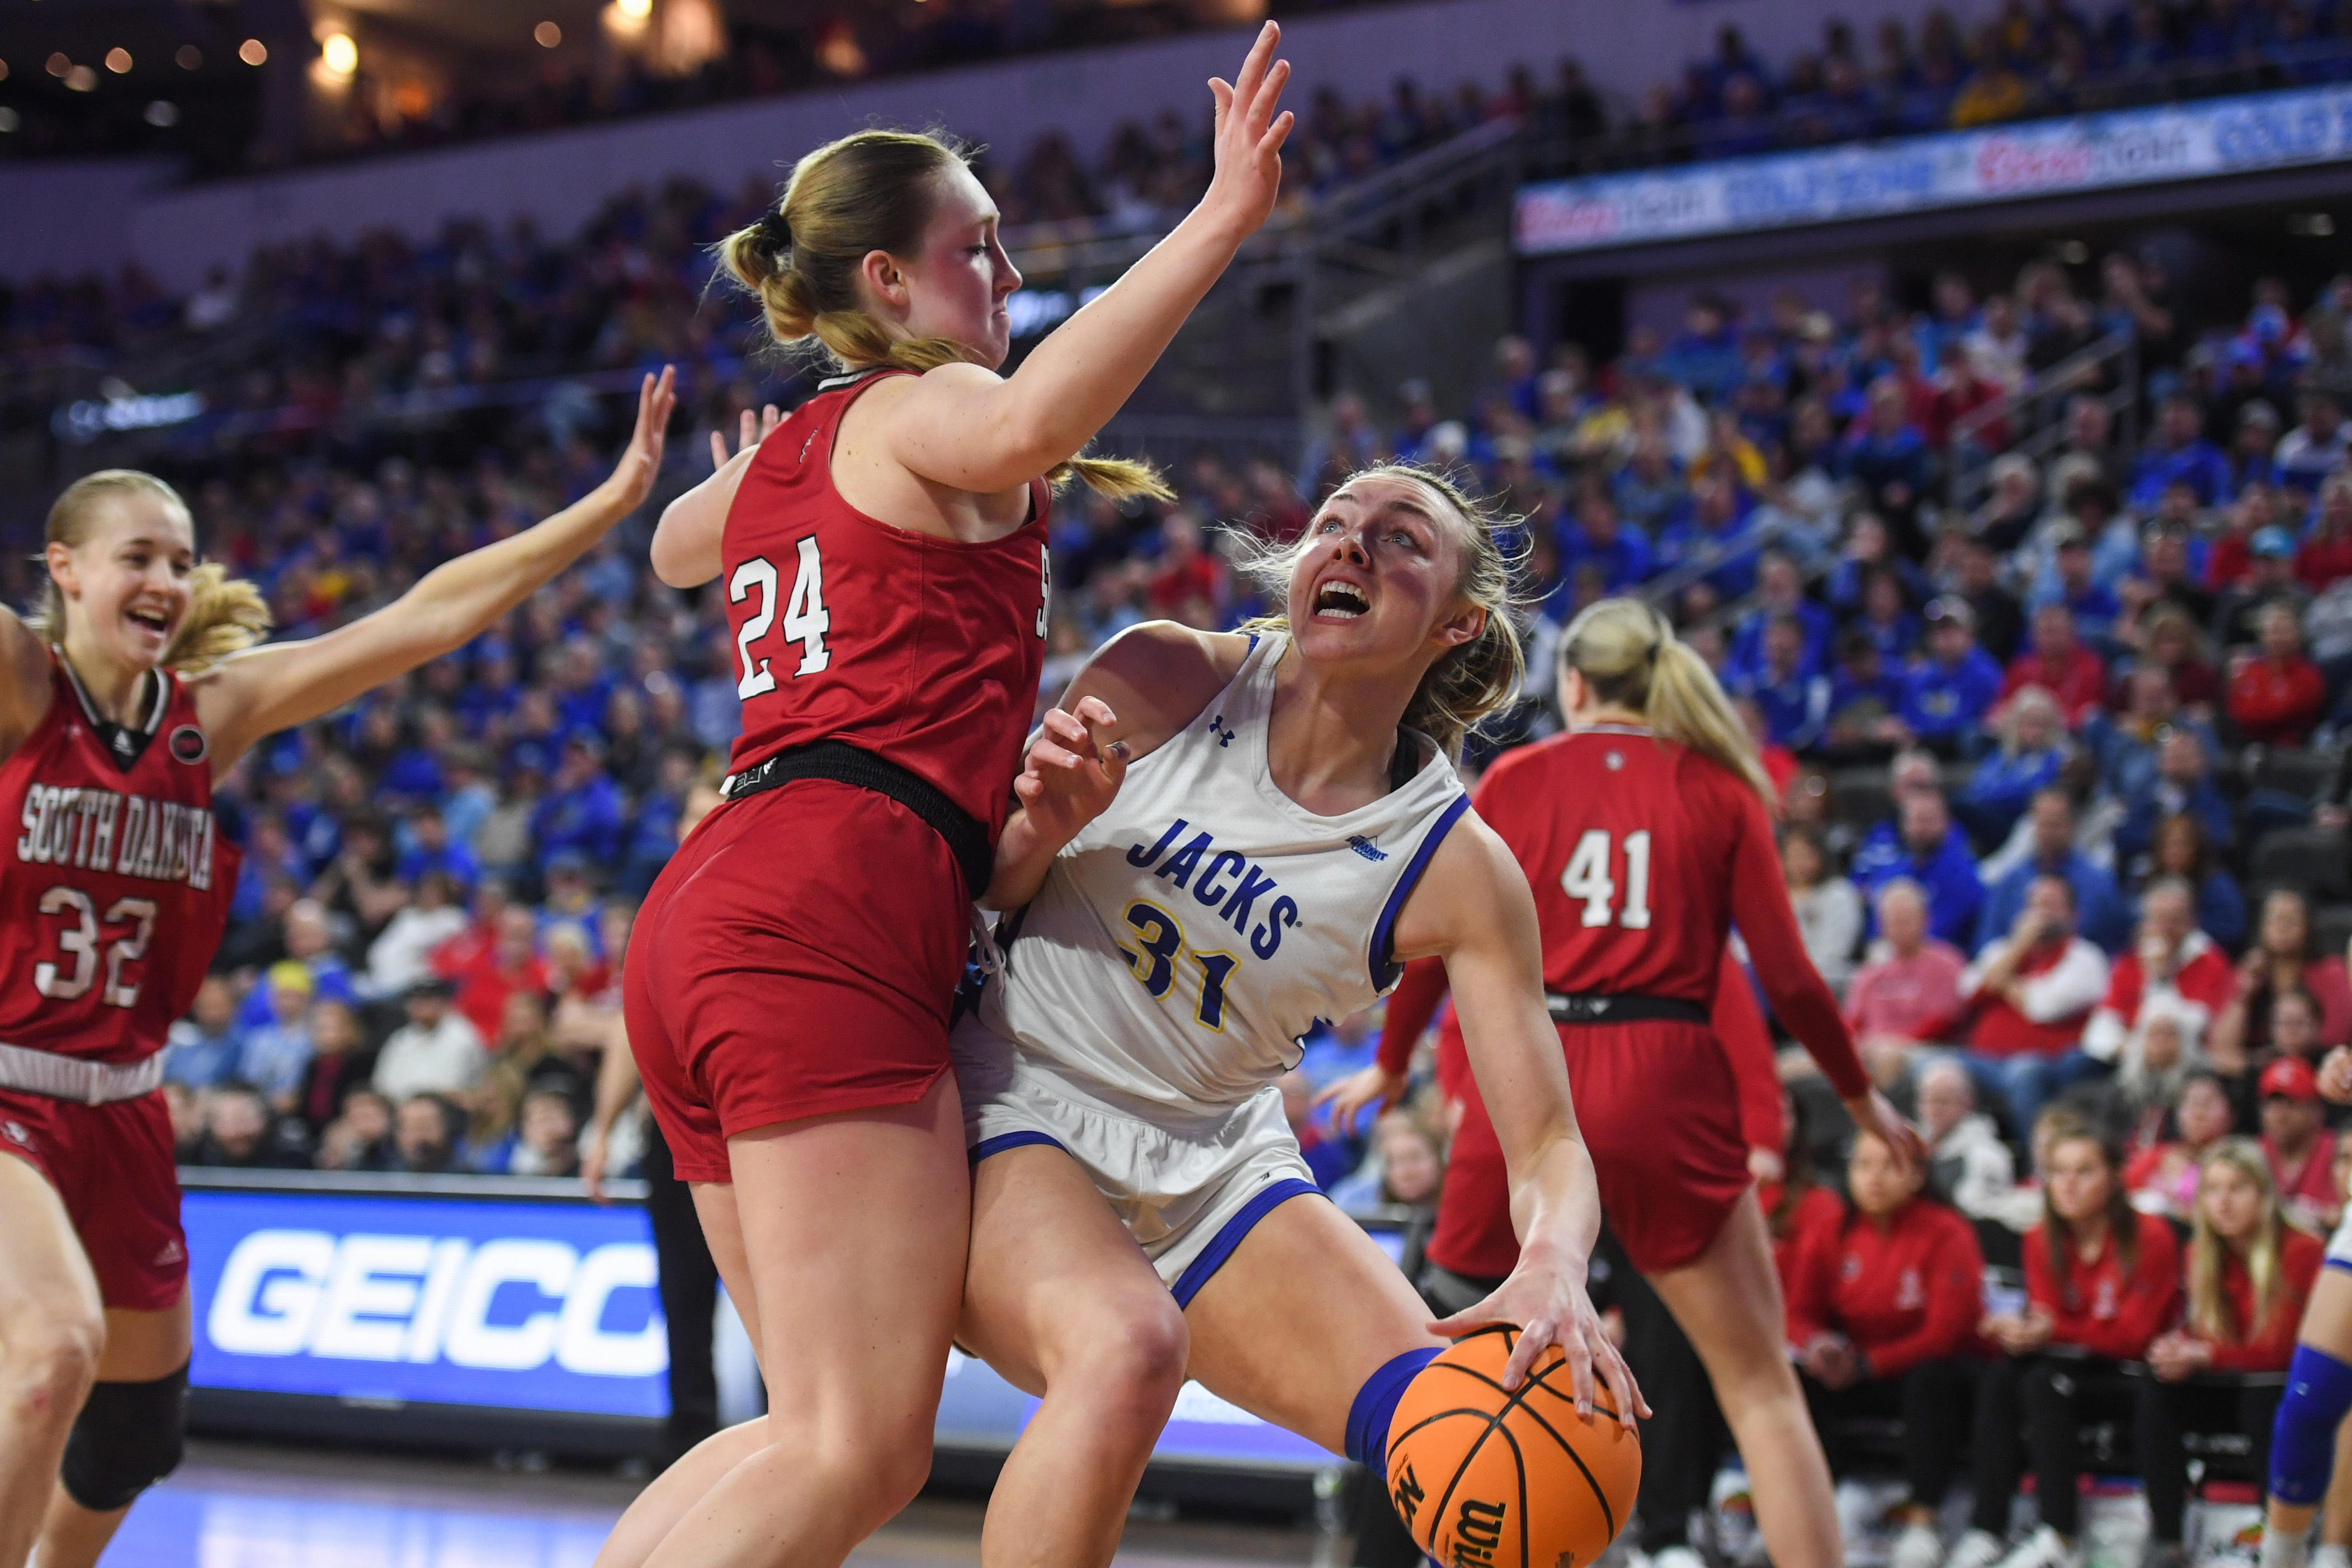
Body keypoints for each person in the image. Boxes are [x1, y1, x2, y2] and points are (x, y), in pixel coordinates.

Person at [602, 42, 1302, 1568]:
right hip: (824, 914)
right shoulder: (926, 412)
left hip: (722, 904)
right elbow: (1021, 426)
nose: (999, 272)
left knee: (800, 1424)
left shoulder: (809, 439)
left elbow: (672, 547)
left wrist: (766, 484)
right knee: (860, 1444)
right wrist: (1215, 221)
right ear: (887, 283)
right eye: (971, 249)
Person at [0, 370, 673, 1568]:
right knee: (53, 1348)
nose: (163, 581)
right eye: (135, 557)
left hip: (126, 1104)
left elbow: (423, 617)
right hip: (9, 1088)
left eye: (180, 560)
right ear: (62, 568)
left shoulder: (212, 711)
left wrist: (612, 501)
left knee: (137, 1432)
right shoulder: (20, 686)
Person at [937, 467, 1643, 1568]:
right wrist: (1036, 837)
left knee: (1505, 1453)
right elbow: (974, 897)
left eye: (1401, 539)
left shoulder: (1457, 866)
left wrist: (1557, 1255)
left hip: (1214, 1163)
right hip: (1019, 1087)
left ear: (1458, 624)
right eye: (1333, 525)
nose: (1355, 545)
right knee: (1125, 1353)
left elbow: (1548, 1139)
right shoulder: (1163, 670)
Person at [1329, 597, 1918, 1568]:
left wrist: (1391, 1065)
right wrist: (1859, 1098)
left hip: (1532, 1075)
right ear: (1660, 679)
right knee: (1760, 1387)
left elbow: (1431, 936)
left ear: (1572, 685)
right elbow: (1792, 978)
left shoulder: (1517, 775)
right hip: (1667, 1074)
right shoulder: (1721, 786)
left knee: (1432, 1357)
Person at [1952, 1130, 2183, 1568]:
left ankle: (2060, 1533)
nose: (2068, 1184)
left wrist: (2053, 1329)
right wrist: (2024, 1331)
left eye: (2084, 1171)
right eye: (2057, 1173)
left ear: (2116, 1178)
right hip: (2068, 1367)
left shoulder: (2150, 1236)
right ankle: (1987, 1528)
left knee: (2044, 1382)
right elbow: (2048, 1315)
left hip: (2134, 1377)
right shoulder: (2040, 1238)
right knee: (2001, 1377)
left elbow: (2135, 1336)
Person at [1783, 1129, 1987, 1568]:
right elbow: (1797, 1313)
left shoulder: (1946, 1231)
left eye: (1889, 1166)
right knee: (1794, 1380)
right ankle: (1818, 1507)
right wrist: (1818, 1345)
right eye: (1863, 1165)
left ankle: (1923, 1519)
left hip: (1937, 1370)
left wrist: (1870, 1364)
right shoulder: (1833, 1229)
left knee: (1929, 1378)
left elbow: (1947, 1333)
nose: (1874, 1178)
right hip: (1858, 1366)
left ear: (1915, 1175)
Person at [2140, 1138, 2321, 1560]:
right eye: (2212, 1190)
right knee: (2157, 1389)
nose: (2223, 1202)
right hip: (2231, 1386)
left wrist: (2206, 1355)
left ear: (2264, 1193)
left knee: (2263, 1396)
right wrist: (2176, 1348)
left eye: (2237, 1188)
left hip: (2291, 1392)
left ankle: (2282, 1538)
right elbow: (2201, 1333)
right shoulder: (2199, 1252)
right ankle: (2167, 1538)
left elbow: (2282, 1352)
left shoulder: (2301, 1250)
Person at [1948, 874, 2109, 1136]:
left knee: (2024, 1074)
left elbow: (2042, 1007)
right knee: (1937, 1066)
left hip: (2043, 1063)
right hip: (1983, 1060)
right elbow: (1968, 992)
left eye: (2051, 906)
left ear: (2073, 915)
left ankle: (2038, 1166)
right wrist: (2019, 947)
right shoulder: (2003, 948)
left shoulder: (2086, 958)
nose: (2041, 915)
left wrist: (2001, 980)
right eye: (2035, 905)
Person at [1843, 880, 1967, 1084]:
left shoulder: (1946, 963)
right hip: (1870, 1047)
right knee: (1794, 1063)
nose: (1899, 928)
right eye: (1892, 921)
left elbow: (1944, 1022)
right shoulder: (1872, 968)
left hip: (1924, 1049)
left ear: (1925, 919)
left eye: (1906, 920)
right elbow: (1852, 1022)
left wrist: (1894, 1042)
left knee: (1886, 1057)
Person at [2211, 888, 2352, 1062]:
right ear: (2262, 927)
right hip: (2259, 1073)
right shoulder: (2249, 971)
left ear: (2308, 926)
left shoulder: (2330, 972)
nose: (2283, 928)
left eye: (2291, 920)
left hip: (2316, 1067)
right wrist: (2244, 996)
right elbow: (2220, 1047)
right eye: (2276, 919)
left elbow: (2336, 1037)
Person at [1916, 1057, 2018, 1219]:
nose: (1934, 1109)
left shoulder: (1987, 1155)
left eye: (1943, 1101)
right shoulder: (1914, 1143)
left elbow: (1981, 1213)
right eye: (1928, 1100)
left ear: (1967, 1103)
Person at [2262, 1052, 2341, 1233]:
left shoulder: (2338, 1151)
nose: (2279, 1116)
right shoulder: (2255, 1153)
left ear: (2316, 1110)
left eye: (2291, 1105)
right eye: (2273, 1105)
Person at [1783, 825, 1862, 993]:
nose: (1799, 863)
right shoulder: (1776, 898)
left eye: (1805, 855)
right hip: (1782, 980)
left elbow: (1834, 951)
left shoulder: (1839, 893)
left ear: (1820, 856)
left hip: (1828, 979)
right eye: (1793, 855)